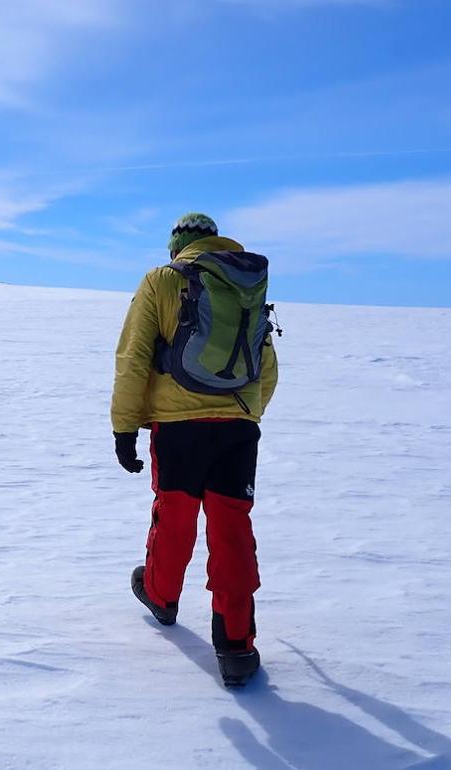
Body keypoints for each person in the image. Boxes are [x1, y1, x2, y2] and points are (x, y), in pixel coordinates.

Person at [111, 213, 279, 687]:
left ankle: (162, 596)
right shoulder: (246, 285)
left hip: (178, 428)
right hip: (238, 428)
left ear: (177, 247)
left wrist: (126, 428)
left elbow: (134, 357)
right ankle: (237, 647)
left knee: (175, 513)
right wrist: (246, 415)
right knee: (232, 528)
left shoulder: (163, 280)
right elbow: (265, 362)